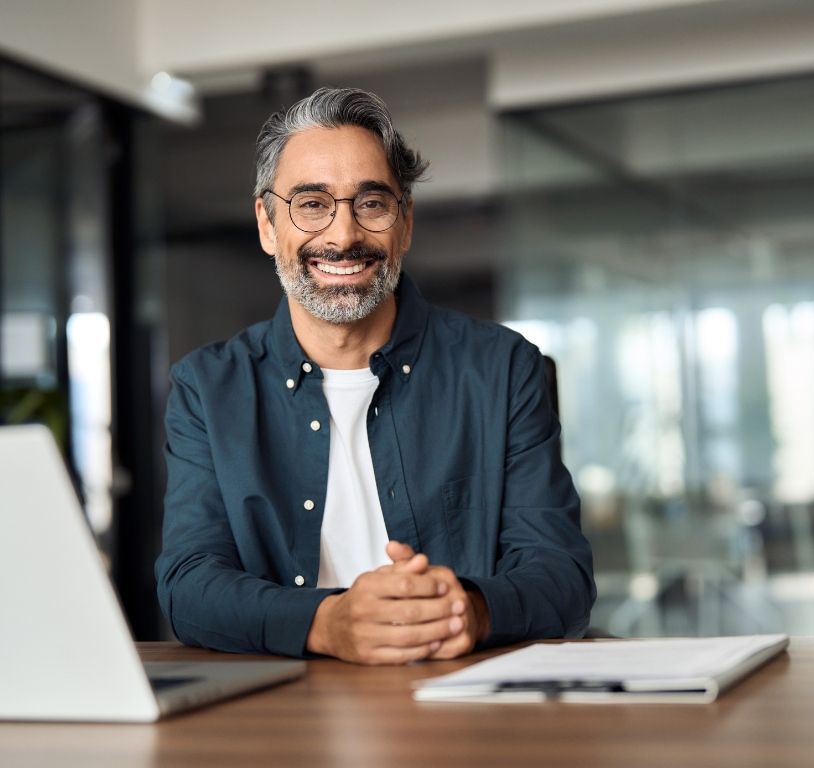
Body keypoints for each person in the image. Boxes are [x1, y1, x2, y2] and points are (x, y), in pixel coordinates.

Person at [155, 87, 595, 665]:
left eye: (371, 203)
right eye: (311, 204)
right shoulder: (207, 389)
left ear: (405, 223)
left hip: (465, 708)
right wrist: (326, 622)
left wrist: (468, 607)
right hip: (282, 720)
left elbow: (561, 575)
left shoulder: (503, 368)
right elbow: (187, 586)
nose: (342, 236)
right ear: (267, 224)